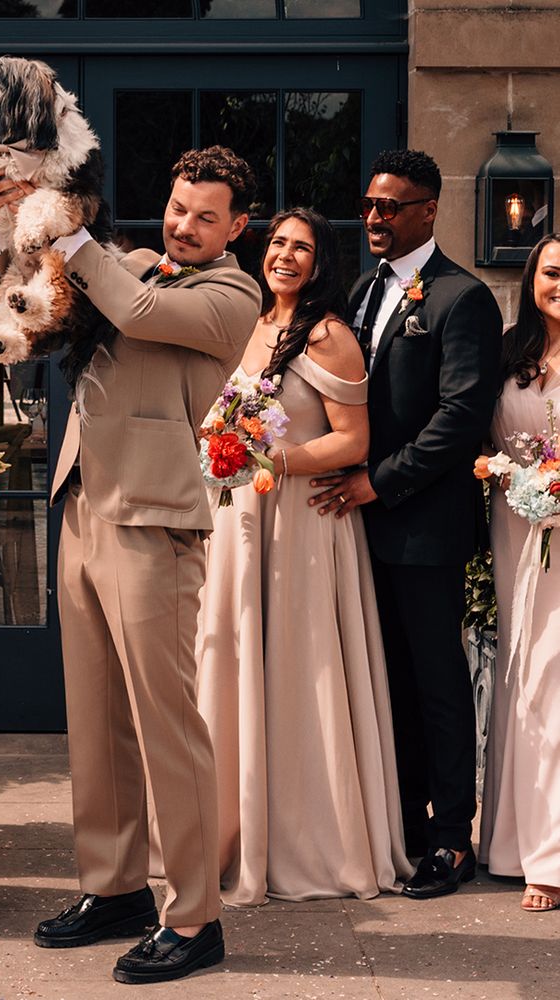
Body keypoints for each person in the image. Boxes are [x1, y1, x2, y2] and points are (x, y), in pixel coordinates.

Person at [0, 147, 261, 984]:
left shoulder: (231, 294)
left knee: (165, 727)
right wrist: (11, 220)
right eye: (179, 207)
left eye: (206, 216)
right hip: (83, 506)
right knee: (97, 719)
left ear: (237, 227)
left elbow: (135, 310)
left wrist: (66, 230)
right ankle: (112, 889)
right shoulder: (131, 259)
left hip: (155, 525)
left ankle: (194, 915)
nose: (184, 225)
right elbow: (35, 307)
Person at [195, 208, 410, 907]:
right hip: (235, 521)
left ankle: (305, 836)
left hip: (300, 526)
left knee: (295, 668)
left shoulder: (329, 335)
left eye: (303, 248)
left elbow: (352, 441)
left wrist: (272, 459)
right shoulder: (247, 322)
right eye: (280, 243)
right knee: (228, 658)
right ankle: (224, 830)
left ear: (322, 263)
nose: (286, 256)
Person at [310, 150, 502, 899]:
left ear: (430, 208)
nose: (374, 219)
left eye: (390, 207)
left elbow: (460, 419)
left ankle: (453, 839)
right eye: (367, 206)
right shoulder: (360, 292)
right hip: (360, 526)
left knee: (437, 682)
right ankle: (406, 829)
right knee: (385, 681)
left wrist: (376, 483)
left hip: (423, 526)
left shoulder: (462, 298)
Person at [479, 233, 560, 913]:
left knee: (554, 676)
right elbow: (476, 433)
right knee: (520, 673)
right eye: (553, 272)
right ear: (532, 276)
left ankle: (552, 855)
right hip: (518, 531)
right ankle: (510, 840)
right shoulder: (507, 350)